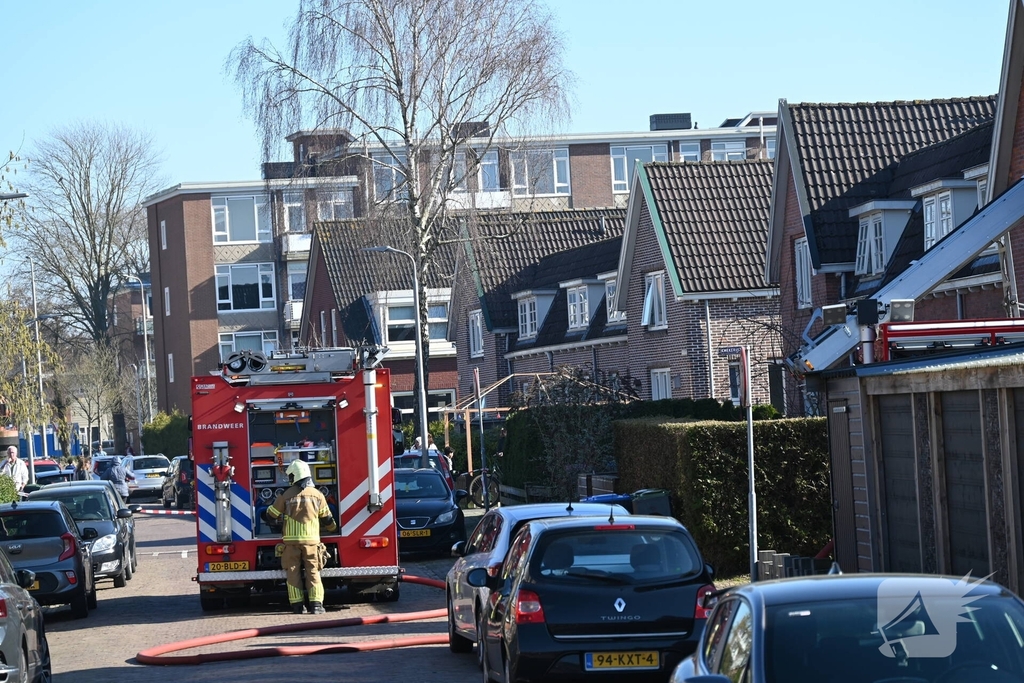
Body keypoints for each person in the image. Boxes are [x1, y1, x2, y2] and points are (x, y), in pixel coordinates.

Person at [264, 459, 338, 615]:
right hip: (312, 543)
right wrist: (333, 529)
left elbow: (271, 515)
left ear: (295, 476)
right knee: (313, 572)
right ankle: (317, 605)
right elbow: (327, 519)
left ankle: (298, 606)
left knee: (293, 573)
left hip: (291, 543)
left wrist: (274, 524)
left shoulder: (286, 495)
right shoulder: (317, 495)